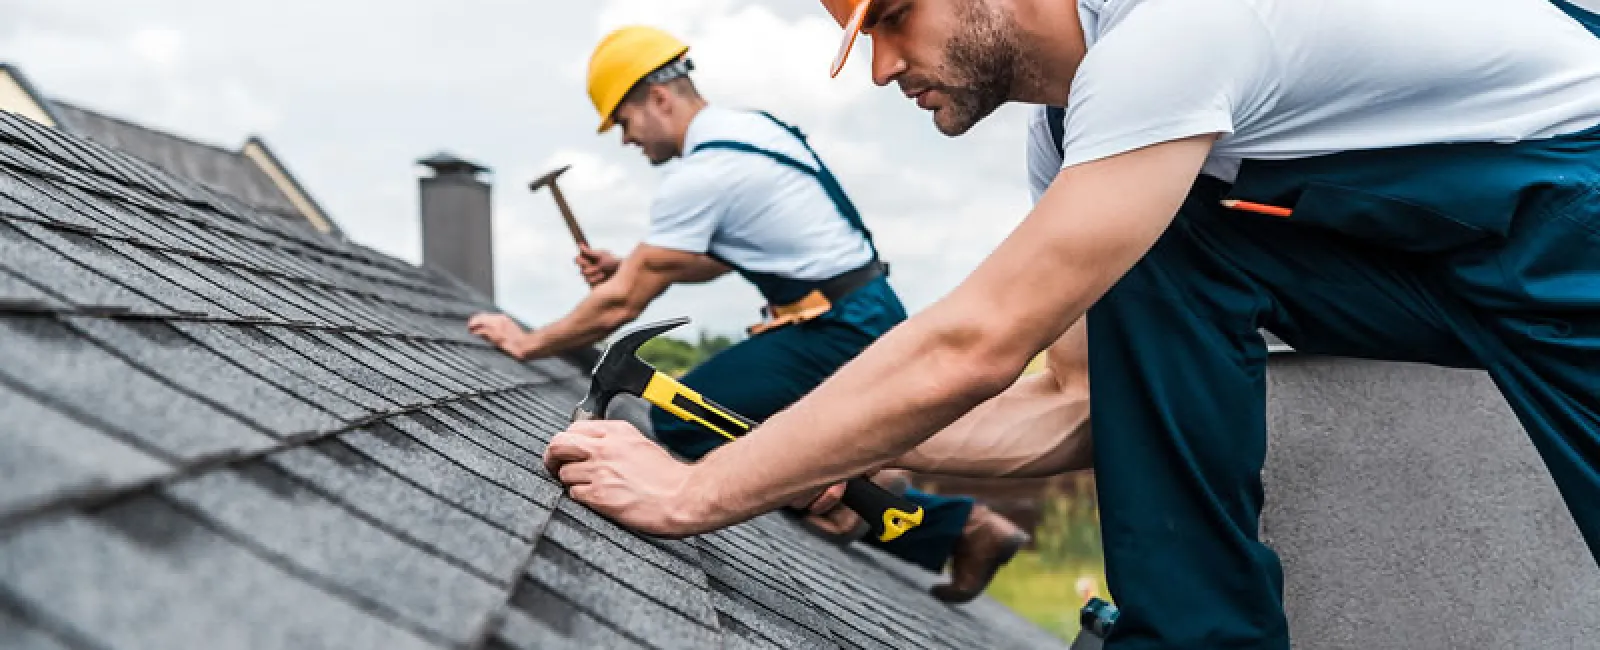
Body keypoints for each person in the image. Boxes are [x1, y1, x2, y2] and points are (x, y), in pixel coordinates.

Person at [542, 0, 1600, 647]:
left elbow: (976, 341)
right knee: (1168, 247)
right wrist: (804, 450)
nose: (879, 68)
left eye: (897, 15)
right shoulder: (1080, 143)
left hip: (1574, 204)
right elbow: (1075, 402)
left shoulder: (1177, 30)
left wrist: (697, 487)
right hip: (1453, 250)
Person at [467, 25, 1027, 603]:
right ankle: (888, 499)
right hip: (857, 312)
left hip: (834, 327)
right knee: (768, 433)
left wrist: (527, 342)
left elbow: (622, 303)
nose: (627, 141)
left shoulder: (704, 170)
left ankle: (907, 509)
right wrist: (631, 265)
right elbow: (712, 260)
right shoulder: (751, 132)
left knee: (684, 420)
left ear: (658, 98)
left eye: (625, 123)